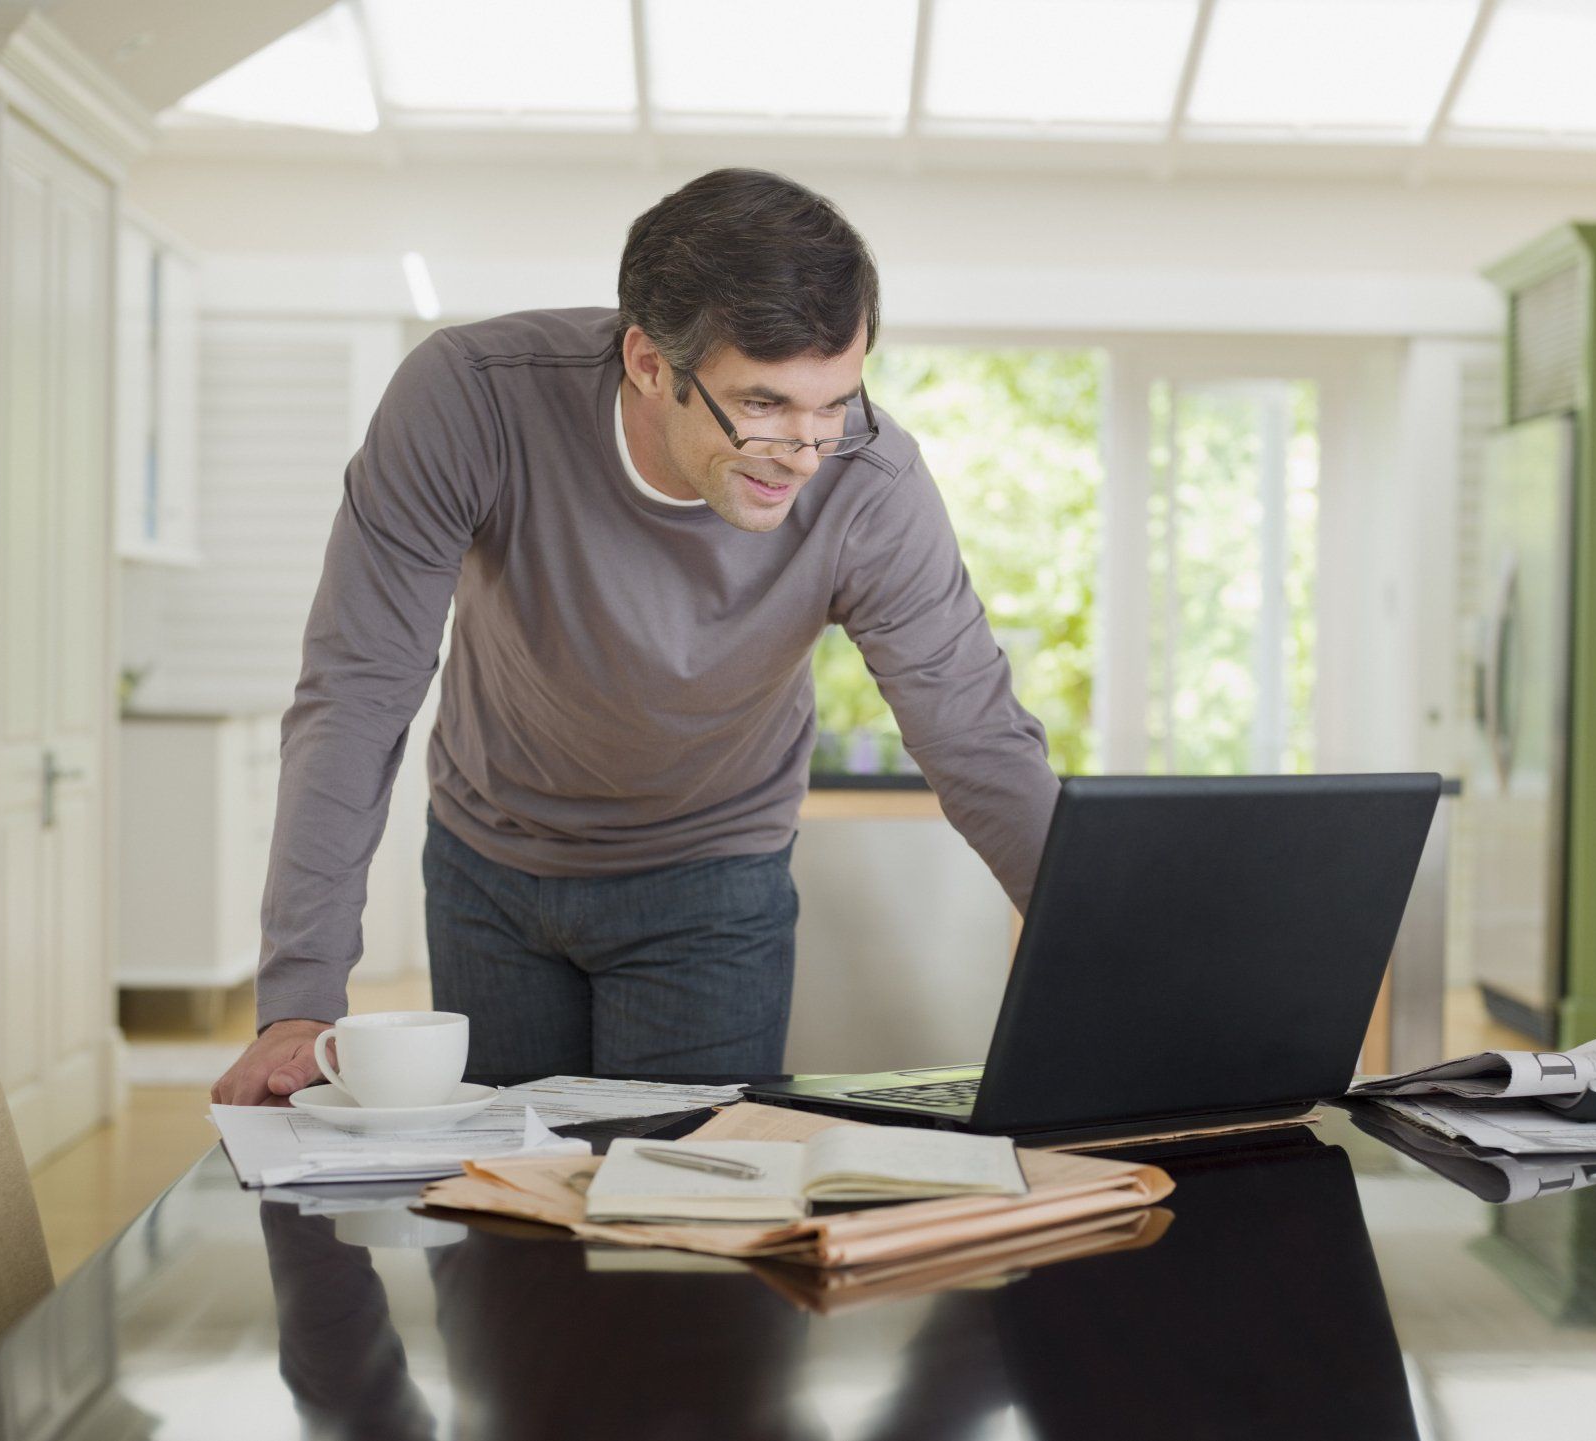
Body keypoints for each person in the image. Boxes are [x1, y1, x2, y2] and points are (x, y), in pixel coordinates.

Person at [211, 168, 1059, 1104]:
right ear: (650, 364)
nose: (806, 454)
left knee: (691, 1221)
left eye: (835, 404)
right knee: (503, 1218)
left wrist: (1102, 956)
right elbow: (359, 688)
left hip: (715, 875)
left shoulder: (871, 478)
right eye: (766, 404)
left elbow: (975, 733)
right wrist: (300, 997)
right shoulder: (470, 400)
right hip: (490, 863)